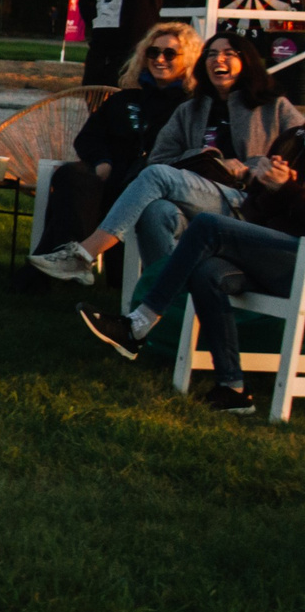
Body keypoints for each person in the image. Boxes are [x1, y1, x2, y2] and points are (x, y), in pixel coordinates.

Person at [31, 31, 305, 285]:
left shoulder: (273, 107)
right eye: (211, 54)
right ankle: (166, 300)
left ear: (247, 62)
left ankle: (85, 254)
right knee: (156, 211)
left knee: (154, 176)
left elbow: (299, 147)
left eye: (229, 53)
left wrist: (251, 168)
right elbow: (159, 158)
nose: (218, 59)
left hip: (247, 201)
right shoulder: (190, 109)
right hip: (196, 196)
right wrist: (203, 156)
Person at [77, 130, 305, 414]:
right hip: (272, 258)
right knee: (207, 272)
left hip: (297, 264)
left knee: (208, 226)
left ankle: (139, 324)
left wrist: (286, 189)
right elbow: (252, 210)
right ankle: (232, 387)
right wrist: (270, 188)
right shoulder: (293, 139)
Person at [29, 22, 199, 257]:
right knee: (71, 176)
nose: (159, 59)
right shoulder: (125, 99)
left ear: (188, 59)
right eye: (153, 52)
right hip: (109, 179)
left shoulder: (191, 107)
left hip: (149, 189)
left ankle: (64, 260)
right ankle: (63, 256)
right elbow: (87, 138)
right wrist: (102, 160)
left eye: (170, 53)